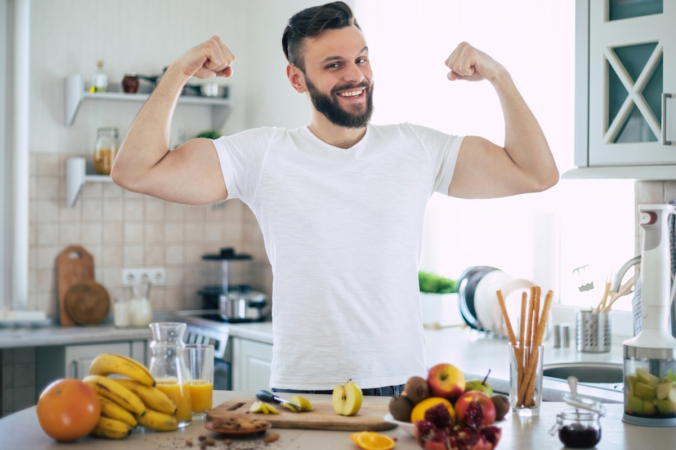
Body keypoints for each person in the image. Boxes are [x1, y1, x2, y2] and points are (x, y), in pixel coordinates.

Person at [111, 2, 558, 397]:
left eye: (361, 59)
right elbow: (135, 170)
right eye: (334, 65)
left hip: (399, 388)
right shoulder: (262, 155)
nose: (356, 75)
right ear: (296, 78)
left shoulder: (418, 149)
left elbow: (537, 173)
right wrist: (179, 73)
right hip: (303, 388)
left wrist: (499, 76)